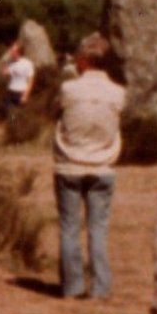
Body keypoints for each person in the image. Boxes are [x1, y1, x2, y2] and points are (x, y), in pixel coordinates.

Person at [51, 33, 127, 299]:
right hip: (103, 165)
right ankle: (101, 288)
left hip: (70, 163)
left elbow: (56, 113)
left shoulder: (69, 89)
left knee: (69, 228)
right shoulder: (119, 93)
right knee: (98, 229)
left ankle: (72, 287)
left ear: (82, 60)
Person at [1, 40, 36, 120]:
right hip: (10, 91)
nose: (10, 52)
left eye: (12, 51)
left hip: (21, 92)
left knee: (21, 115)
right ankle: (12, 125)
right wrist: (5, 65)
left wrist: (25, 95)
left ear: (18, 52)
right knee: (11, 114)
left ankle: (20, 129)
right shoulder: (10, 63)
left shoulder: (27, 63)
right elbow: (5, 75)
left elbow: (30, 81)